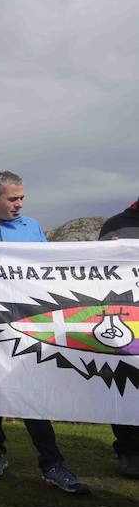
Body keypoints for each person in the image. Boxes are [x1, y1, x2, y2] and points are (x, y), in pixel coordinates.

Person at [0, 171, 89, 494]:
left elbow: (47, 271)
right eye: (13, 199)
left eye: (22, 198)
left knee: (31, 394)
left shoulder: (31, 227)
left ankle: (53, 464)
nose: (20, 204)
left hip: (28, 325)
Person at [98, 195, 139, 478]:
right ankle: (130, 451)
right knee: (127, 385)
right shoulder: (117, 225)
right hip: (128, 321)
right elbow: (97, 275)